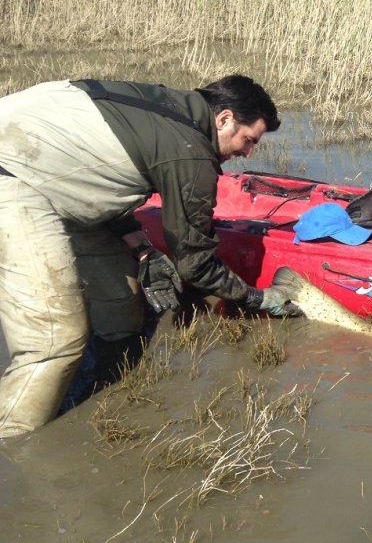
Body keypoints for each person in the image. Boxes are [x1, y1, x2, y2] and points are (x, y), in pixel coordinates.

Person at [0, 75, 300, 438]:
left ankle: (101, 375)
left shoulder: (166, 106)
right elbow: (195, 262)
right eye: (248, 140)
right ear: (224, 118)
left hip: (43, 169)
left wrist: (142, 247)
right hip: (13, 175)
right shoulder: (189, 151)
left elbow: (96, 171)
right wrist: (256, 297)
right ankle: (13, 449)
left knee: (123, 312)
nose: (247, 153)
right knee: (54, 341)